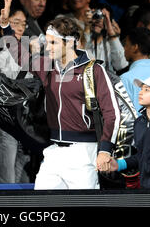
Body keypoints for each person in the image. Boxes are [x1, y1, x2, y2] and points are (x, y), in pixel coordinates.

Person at [28, 16, 120, 190]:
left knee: (84, 207)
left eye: (53, 43)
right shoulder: (47, 66)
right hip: (54, 151)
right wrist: (6, 27)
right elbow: (20, 56)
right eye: (47, 43)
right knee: (42, 205)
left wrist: (105, 150)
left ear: (70, 43)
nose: (47, 48)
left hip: (84, 152)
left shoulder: (94, 70)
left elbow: (112, 113)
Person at [0, 0, 33, 183]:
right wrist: (3, 28)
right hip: (5, 118)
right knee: (5, 178)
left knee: (22, 178)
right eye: (16, 22)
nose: (20, 27)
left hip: (26, 121)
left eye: (23, 23)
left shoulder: (30, 50)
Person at [84, 3, 128, 73]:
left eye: (102, 17)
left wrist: (111, 32)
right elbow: (80, 59)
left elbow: (121, 65)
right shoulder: (82, 38)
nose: (98, 20)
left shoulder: (111, 44)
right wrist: (86, 27)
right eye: (95, 15)